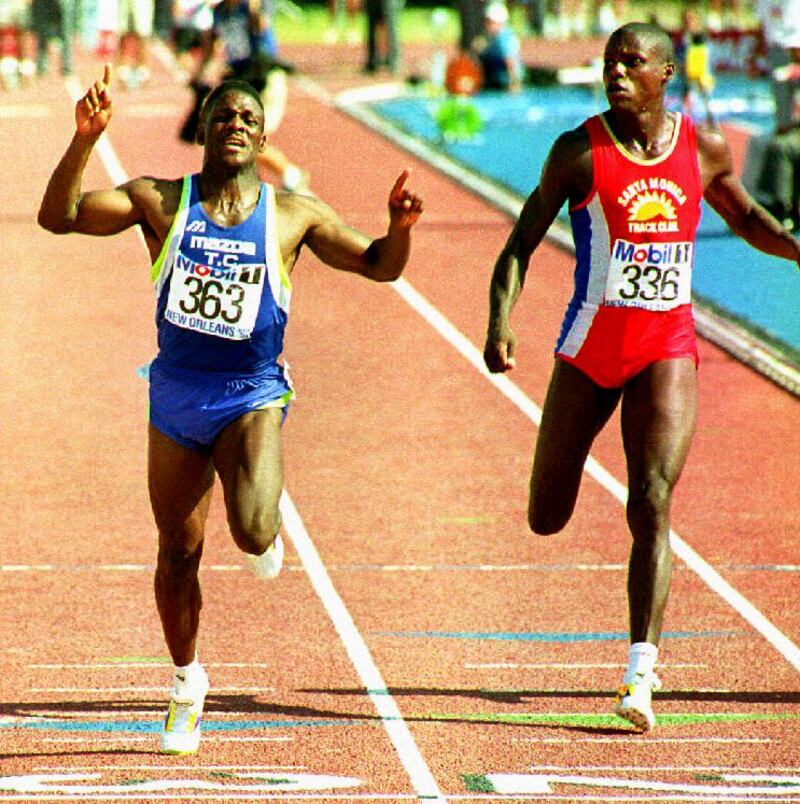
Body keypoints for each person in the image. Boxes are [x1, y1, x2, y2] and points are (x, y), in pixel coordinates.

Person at [38, 66, 423, 754]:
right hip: (177, 396)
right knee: (178, 555)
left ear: (264, 133)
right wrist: (84, 141)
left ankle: (263, 525)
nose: (237, 125)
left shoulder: (293, 214)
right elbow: (59, 217)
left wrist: (399, 229)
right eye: (223, 117)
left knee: (250, 535)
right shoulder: (161, 200)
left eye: (249, 117)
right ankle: (186, 684)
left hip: (251, 393)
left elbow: (377, 265)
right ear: (206, 132)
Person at [484, 22, 800, 732]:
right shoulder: (578, 153)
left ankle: (639, 673)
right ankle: (634, 658)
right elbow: (519, 244)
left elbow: (747, 220)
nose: (617, 73)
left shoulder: (704, 149)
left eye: (632, 63)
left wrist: (795, 253)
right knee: (546, 515)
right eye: (609, 63)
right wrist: (499, 322)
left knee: (651, 499)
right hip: (592, 346)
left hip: (666, 344)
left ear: (665, 74)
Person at [477, 2, 522, 92]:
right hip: (493, 81)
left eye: (490, 22)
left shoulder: (505, 38)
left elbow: (510, 61)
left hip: (503, 83)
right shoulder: (490, 37)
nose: (487, 25)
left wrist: (513, 84)